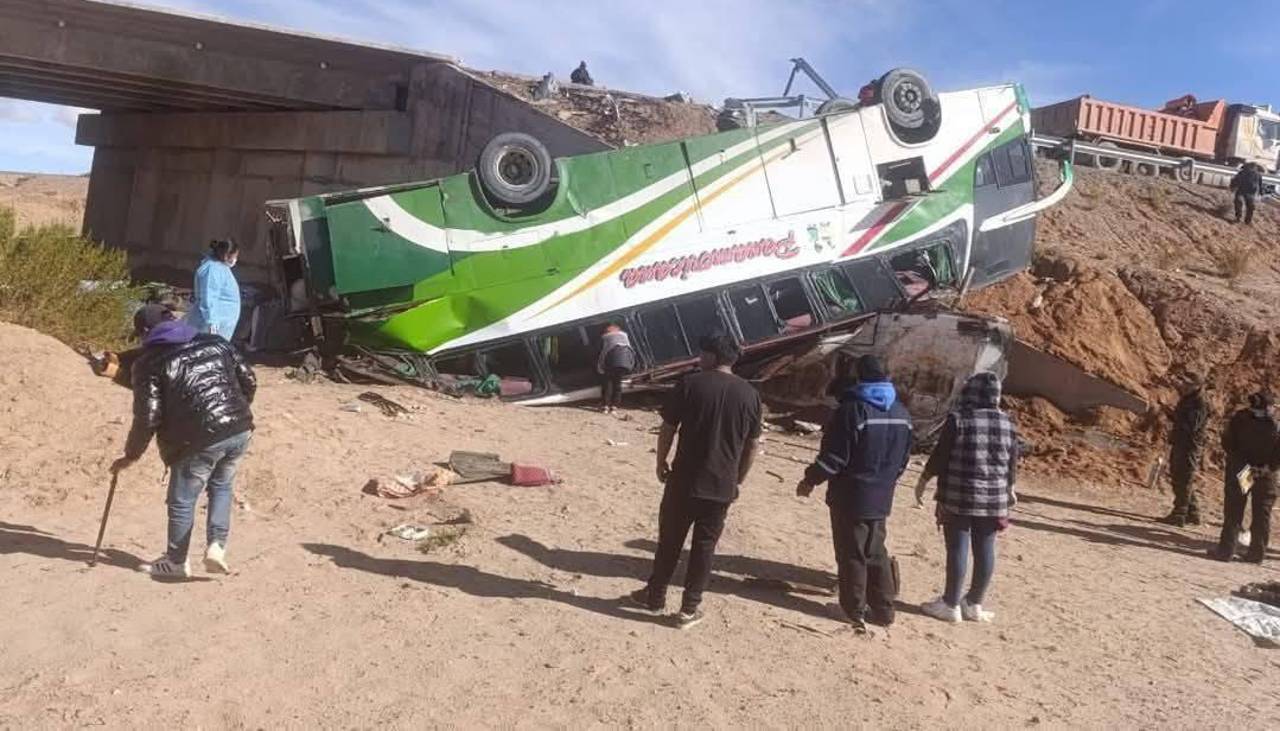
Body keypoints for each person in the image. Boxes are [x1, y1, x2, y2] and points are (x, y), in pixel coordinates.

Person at [111, 304, 256, 578]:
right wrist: (234, 411)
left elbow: (147, 418)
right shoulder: (215, 342)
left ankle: (176, 561)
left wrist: (131, 456)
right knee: (222, 486)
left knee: (182, 500)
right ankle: (217, 546)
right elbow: (248, 379)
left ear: (145, 332)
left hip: (196, 441)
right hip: (239, 430)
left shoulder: (148, 363)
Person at [630, 334, 762, 629]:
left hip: (684, 480)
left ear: (714, 357)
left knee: (669, 541)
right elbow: (753, 445)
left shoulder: (690, 384)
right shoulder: (750, 395)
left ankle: (655, 595)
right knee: (704, 548)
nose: (698, 358)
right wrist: (737, 479)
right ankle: (689, 609)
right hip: (721, 486)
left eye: (703, 354)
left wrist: (660, 460)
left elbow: (668, 427)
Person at [796, 355, 913, 633]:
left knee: (851, 553)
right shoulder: (902, 414)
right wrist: (886, 482)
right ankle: (885, 610)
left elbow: (834, 458)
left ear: (860, 378)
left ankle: (853, 609)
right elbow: (903, 462)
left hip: (850, 495)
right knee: (876, 551)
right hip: (883, 495)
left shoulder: (853, 410)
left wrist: (810, 480)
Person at [917, 372, 1019, 624]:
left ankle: (950, 604)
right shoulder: (1008, 422)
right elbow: (1012, 460)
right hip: (994, 497)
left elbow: (940, 456)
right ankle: (974, 602)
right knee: (986, 548)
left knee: (957, 548)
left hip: (959, 494)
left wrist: (923, 480)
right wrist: (1011, 488)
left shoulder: (959, 419)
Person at [1210, 391, 1278, 563]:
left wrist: (1241, 463)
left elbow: (1227, 442)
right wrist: (1267, 468)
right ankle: (1256, 554)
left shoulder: (1240, 418)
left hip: (1244, 471)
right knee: (1261, 514)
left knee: (1234, 510)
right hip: (1264, 473)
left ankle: (1226, 551)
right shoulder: (1276, 424)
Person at [1160, 379, 1210, 526]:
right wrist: (1169, 413)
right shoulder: (1188, 399)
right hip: (1181, 443)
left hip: (1189, 446)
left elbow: (1192, 425)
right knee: (1178, 476)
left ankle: (1180, 513)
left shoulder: (1200, 403)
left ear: (1197, 386)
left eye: (1188, 384)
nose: (1184, 386)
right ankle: (1192, 512)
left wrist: (1176, 417)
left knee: (1184, 477)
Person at [187, 238, 241, 340]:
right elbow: (208, 296)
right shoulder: (212, 269)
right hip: (209, 325)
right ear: (227, 255)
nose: (236, 259)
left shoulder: (221, 268)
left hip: (220, 324)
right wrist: (211, 321)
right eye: (235, 256)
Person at [597, 323, 636, 414]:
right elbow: (631, 351)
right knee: (617, 384)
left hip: (611, 363)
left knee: (607, 384)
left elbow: (603, 353)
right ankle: (615, 406)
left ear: (608, 331)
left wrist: (600, 366)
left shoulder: (606, 337)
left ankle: (605, 406)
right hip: (624, 364)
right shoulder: (625, 337)